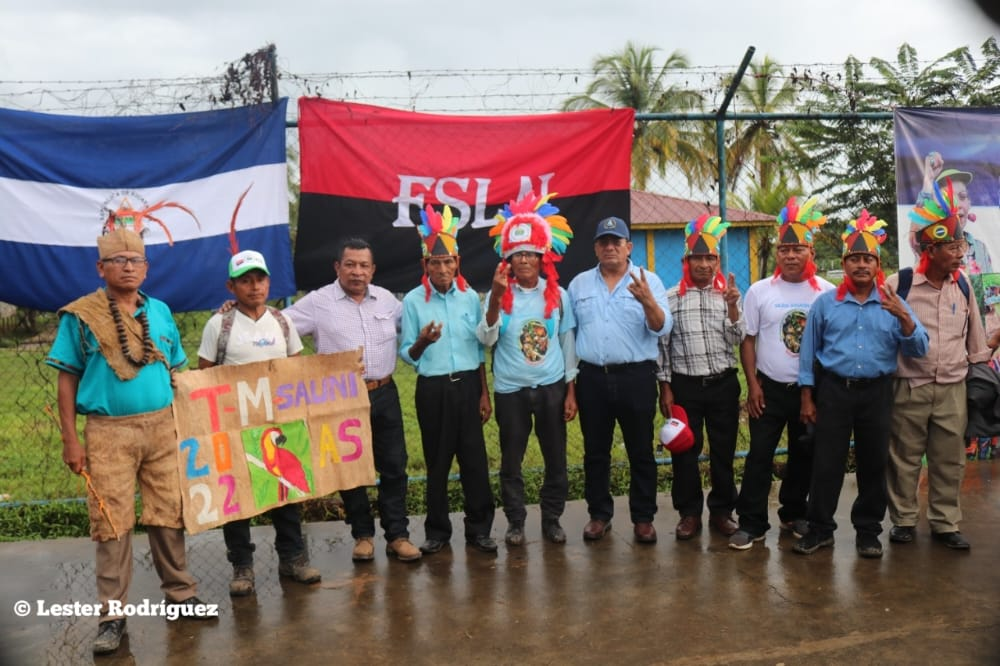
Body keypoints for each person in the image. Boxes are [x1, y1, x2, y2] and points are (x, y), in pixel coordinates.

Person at [45, 226, 210, 656]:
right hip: (108, 434)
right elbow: (66, 382)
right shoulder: (81, 317)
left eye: (135, 260)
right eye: (118, 260)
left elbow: (177, 370)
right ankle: (112, 615)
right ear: (100, 268)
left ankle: (181, 597)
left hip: (162, 427)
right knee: (112, 523)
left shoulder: (161, 311)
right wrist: (70, 440)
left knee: (168, 514)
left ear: (146, 268)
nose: (128, 267)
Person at [794, 211, 928, 559]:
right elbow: (809, 353)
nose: (861, 265)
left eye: (868, 258)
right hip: (834, 391)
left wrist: (905, 320)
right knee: (827, 463)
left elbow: (920, 348)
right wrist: (808, 397)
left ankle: (868, 531)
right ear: (844, 263)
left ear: (877, 264)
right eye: (854, 258)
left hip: (877, 393)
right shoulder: (825, 304)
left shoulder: (893, 303)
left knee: (873, 462)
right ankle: (820, 529)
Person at [284, 239, 423, 563]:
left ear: (372, 270)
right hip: (340, 397)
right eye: (350, 265)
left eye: (363, 266)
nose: (357, 272)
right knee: (350, 470)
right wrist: (234, 312)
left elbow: (414, 323)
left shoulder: (388, 301)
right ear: (337, 267)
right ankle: (362, 535)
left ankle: (398, 535)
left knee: (394, 466)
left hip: (384, 391)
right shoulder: (318, 302)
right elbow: (278, 324)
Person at [197, 250, 322, 595]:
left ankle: (293, 558)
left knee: (284, 491)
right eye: (246, 281)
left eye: (260, 279)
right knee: (237, 497)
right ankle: (242, 567)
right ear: (231, 286)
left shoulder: (282, 323)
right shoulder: (218, 326)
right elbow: (204, 378)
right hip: (235, 428)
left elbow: (297, 371)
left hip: (278, 427)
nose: (255, 287)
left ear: (269, 282)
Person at [886, 182, 990, 550]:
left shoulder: (961, 286)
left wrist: (980, 376)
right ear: (930, 250)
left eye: (961, 246)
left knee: (949, 460)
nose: (961, 254)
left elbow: (975, 337)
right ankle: (903, 519)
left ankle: (945, 523)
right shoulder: (899, 284)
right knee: (904, 458)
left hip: (952, 388)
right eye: (953, 247)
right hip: (909, 386)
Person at [729, 197, 835, 550]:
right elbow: (748, 340)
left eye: (798, 249)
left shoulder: (826, 293)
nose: (790, 255)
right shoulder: (760, 292)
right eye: (784, 249)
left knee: (804, 455)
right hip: (769, 389)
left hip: (811, 390)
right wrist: (753, 385)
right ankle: (752, 522)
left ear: (810, 250)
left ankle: (793, 513)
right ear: (777, 253)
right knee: (759, 455)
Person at [477, 192, 578, 546]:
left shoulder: (559, 295)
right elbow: (487, 340)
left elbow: (567, 344)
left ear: (541, 258)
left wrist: (570, 391)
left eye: (530, 254)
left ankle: (552, 519)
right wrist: (493, 297)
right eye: (517, 254)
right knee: (511, 462)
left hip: (551, 388)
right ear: (507, 259)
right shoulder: (497, 294)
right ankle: (516, 522)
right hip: (510, 391)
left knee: (555, 458)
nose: (523, 260)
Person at [399, 204, 497, 555]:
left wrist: (484, 394)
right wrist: (423, 342)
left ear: (457, 262)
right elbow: (406, 355)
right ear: (425, 265)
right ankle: (438, 532)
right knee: (437, 463)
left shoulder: (471, 297)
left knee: (475, 462)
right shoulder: (412, 302)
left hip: (470, 386)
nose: (442, 269)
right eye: (435, 263)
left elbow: (480, 349)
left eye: (448, 261)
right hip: (433, 390)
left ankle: (480, 530)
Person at [567, 216, 671, 544]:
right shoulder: (579, 285)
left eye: (617, 241)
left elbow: (661, 328)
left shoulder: (648, 281)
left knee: (641, 450)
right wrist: (571, 385)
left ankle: (643, 518)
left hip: (636, 377)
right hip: (593, 378)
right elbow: (569, 335)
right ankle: (599, 515)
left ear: (629, 246)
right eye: (604, 242)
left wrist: (647, 301)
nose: (610, 247)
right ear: (596, 247)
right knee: (596, 451)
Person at [657, 214, 745, 540]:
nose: (705, 264)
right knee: (684, 452)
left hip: (723, 383)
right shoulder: (671, 298)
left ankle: (722, 511)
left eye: (710, 258)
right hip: (685, 386)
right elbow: (662, 348)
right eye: (698, 258)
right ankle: (690, 513)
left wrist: (734, 309)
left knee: (724, 450)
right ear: (686, 261)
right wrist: (665, 388)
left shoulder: (730, 296)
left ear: (717, 260)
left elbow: (738, 340)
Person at [909, 152, 993, 274]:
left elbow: (991, 289)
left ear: (969, 203)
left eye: (962, 196)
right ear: (937, 207)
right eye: (948, 198)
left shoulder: (981, 249)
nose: (957, 204)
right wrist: (928, 181)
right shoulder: (931, 246)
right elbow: (915, 240)